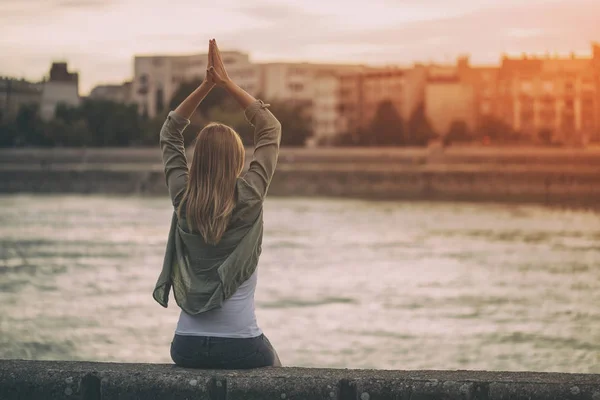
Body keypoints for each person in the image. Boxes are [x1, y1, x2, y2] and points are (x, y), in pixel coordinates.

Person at [152, 39, 282, 369]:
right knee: (279, 372)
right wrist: (226, 83)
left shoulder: (183, 199)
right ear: (238, 159)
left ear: (198, 160)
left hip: (186, 346)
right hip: (241, 346)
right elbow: (270, 128)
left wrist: (205, 87)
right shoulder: (250, 196)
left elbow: (170, 134)